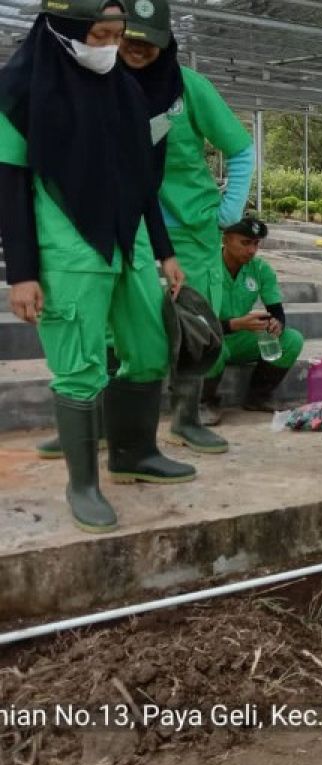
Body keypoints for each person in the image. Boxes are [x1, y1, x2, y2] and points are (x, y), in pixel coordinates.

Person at [0, 0, 194, 533]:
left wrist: (163, 250)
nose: (109, 48)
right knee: (80, 364)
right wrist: (21, 272)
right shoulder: (18, 92)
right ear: (64, 32)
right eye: (100, 35)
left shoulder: (123, 91)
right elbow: (10, 184)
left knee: (149, 347)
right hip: (68, 244)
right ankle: (82, 484)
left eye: (115, 35)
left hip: (126, 239)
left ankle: (134, 453)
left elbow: (142, 181)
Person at [118, 0, 254, 456]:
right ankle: (103, 423)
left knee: (195, 323)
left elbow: (240, 149)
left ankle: (185, 419)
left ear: (165, 40)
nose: (137, 47)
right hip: (130, 229)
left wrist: (228, 209)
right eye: (128, 37)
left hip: (191, 229)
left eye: (148, 40)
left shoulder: (189, 87)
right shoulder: (103, 88)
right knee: (118, 323)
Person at [200, 217, 304, 422]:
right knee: (208, 344)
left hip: (239, 339)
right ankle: (204, 402)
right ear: (226, 239)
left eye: (256, 244)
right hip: (209, 337)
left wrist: (277, 324)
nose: (251, 250)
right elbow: (194, 323)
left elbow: (276, 311)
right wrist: (235, 324)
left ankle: (258, 397)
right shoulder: (205, 267)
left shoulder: (260, 269)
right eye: (245, 243)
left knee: (292, 340)